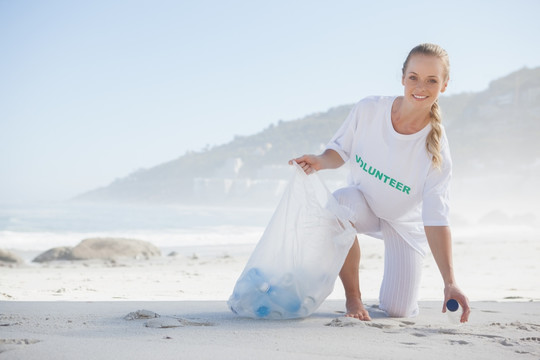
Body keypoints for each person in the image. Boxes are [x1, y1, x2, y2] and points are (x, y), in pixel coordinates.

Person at [289, 43, 470, 322]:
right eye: (414, 77)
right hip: (364, 205)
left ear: (444, 85)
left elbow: (436, 218)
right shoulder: (370, 110)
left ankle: (391, 298)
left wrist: (450, 282)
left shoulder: (436, 149)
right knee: (340, 203)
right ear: (402, 78)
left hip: (403, 225)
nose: (420, 86)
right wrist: (320, 161)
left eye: (431, 80)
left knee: (398, 311)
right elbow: (340, 150)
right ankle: (354, 298)